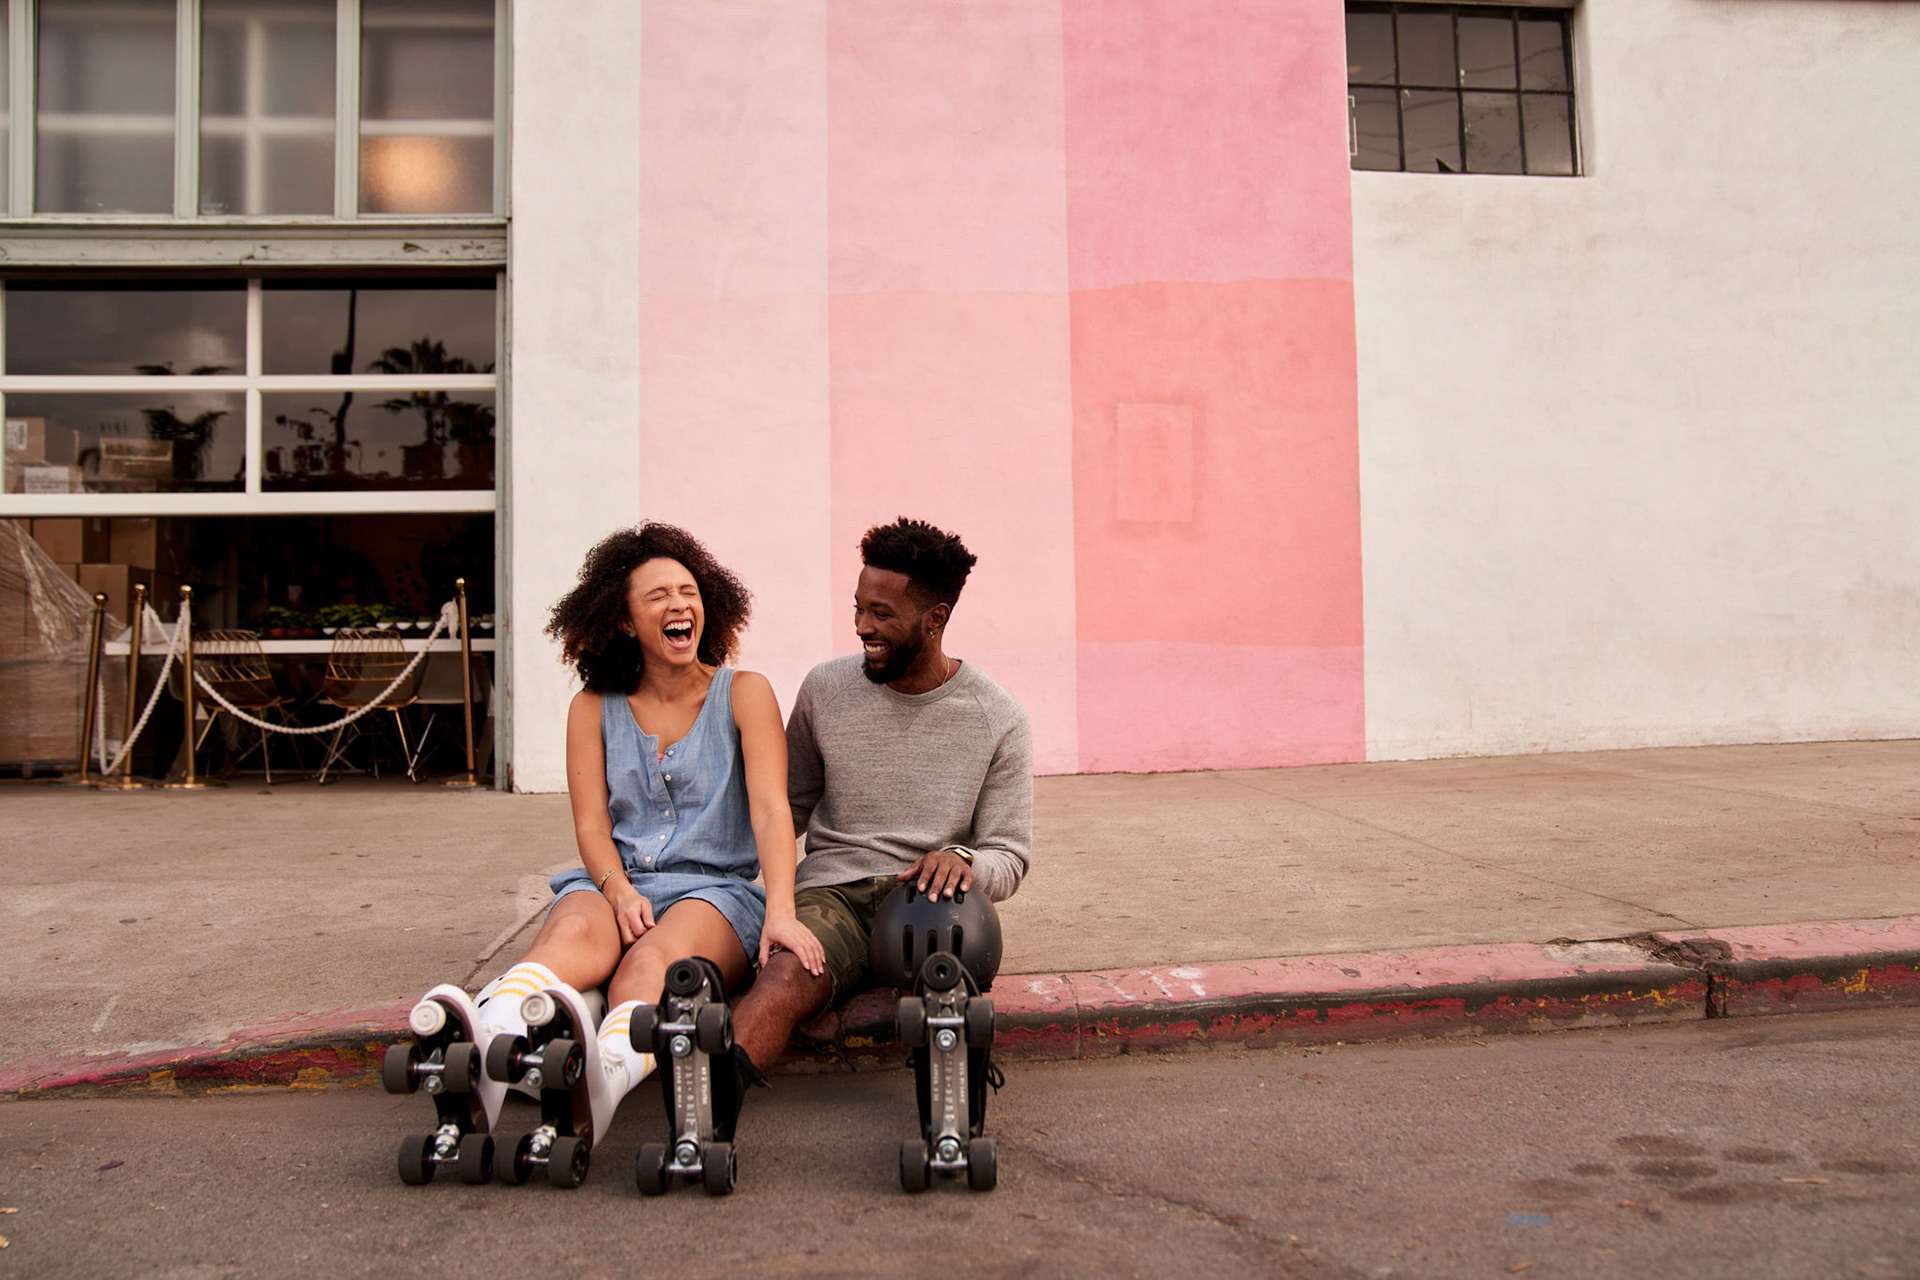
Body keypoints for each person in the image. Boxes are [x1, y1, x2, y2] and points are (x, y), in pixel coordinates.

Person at [456, 523, 824, 1128]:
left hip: (716, 892)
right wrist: (617, 889)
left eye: (688, 592)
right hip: (617, 878)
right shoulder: (591, 706)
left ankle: (606, 1077)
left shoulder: (745, 693)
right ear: (625, 621)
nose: (680, 605)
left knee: (649, 964)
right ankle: (490, 1038)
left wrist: (780, 910)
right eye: (658, 597)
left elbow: (771, 811)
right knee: (570, 933)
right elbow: (592, 824)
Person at [731, 517, 1032, 1073]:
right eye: (858, 608)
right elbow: (786, 809)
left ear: (935, 619)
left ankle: (951, 1134)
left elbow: (1009, 854)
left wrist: (963, 861)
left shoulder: (998, 718)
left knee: (950, 991)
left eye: (882, 614)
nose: (862, 626)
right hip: (832, 896)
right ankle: (707, 1121)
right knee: (782, 977)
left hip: (930, 901)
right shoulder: (825, 689)